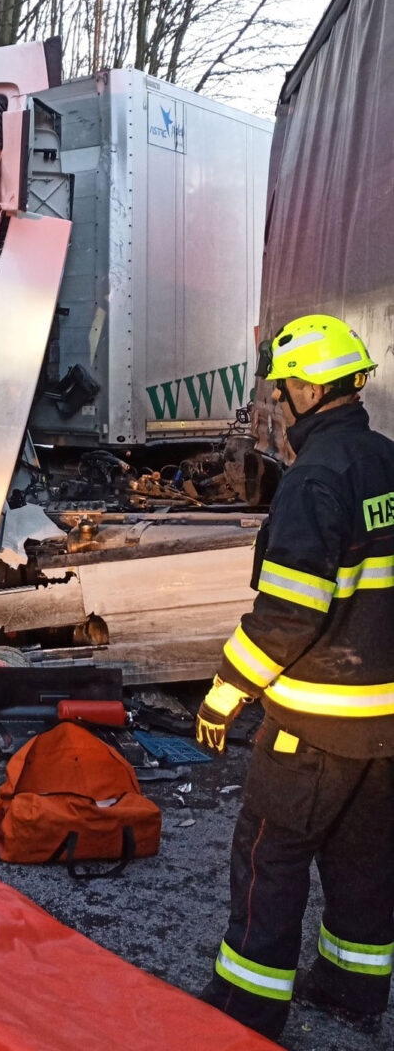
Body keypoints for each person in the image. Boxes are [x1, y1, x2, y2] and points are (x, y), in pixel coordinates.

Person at [197, 314, 394, 1042]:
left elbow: (286, 617)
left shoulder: (315, 478)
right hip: (384, 726)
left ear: (308, 390)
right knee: (365, 861)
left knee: (269, 855)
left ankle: (244, 1011)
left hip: (315, 723)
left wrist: (224, 693)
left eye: (280, 393)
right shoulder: (387, 461)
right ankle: (351, 991)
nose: (277, 407)